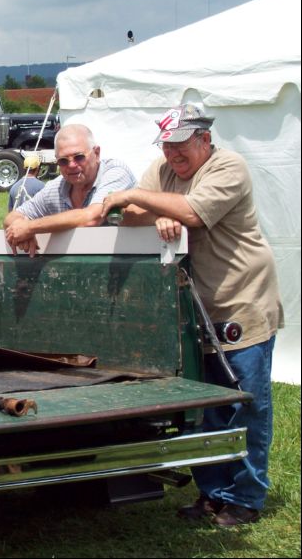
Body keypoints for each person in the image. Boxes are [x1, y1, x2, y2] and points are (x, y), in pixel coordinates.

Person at [101, 103, 283, 527]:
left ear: (205, 139)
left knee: (245, 405)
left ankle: (245, 498)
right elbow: (125, 218)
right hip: (192, 311)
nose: (173, 156)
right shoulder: (162, 171)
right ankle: (212, 493)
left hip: (240, 301)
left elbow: (192, 213)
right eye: (167, 146)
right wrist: (159, 210)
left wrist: (142, 199)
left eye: (181, 145)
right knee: (203, 407)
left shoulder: (229, 167)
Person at [3, 123, 136, 256]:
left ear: (96, 153)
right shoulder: (56, 187)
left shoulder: (115, 172)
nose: (72, 165)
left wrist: (30, 227)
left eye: (79, 157)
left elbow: (91, 218)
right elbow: (12, 217)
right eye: (63, 161)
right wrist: (20, 226)